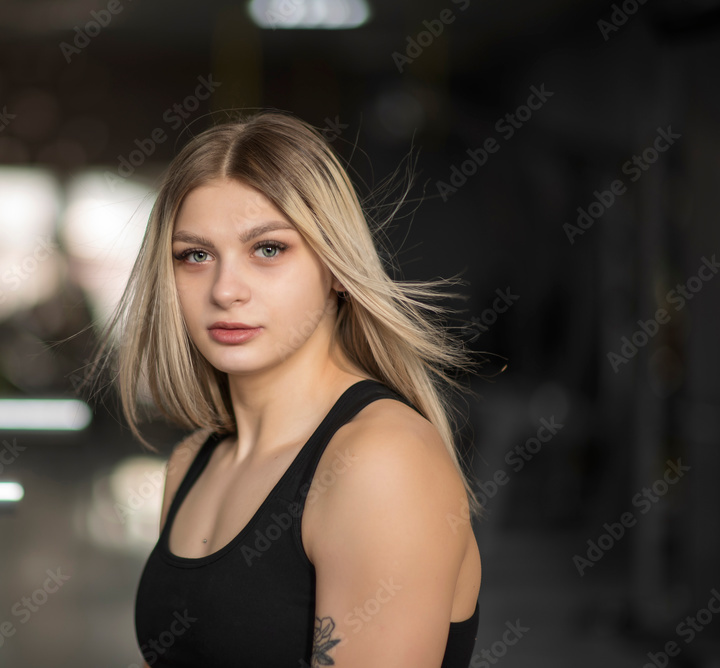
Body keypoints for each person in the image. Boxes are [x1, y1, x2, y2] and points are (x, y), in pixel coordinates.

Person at [83, 110, 481, 667]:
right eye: (195, 255)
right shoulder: (194, 460)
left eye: (268, 249)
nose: (225, 290)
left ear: (336, 267)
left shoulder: (380, 460)